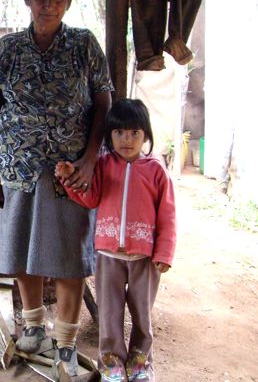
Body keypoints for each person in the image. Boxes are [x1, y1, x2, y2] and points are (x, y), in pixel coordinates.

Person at [0, 0, 113, 379]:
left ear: (68, 2)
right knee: (21, 249)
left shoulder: (84, 45)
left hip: (69, 172)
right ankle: (34, 326)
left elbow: (104, 102)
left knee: (69, 258)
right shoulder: (9, 49)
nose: (49, 4)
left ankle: (67, 345)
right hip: (16, 167)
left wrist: (91, 159)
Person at [55, 98, 176, 382]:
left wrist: (164, 253)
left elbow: (168, 215)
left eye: (134, 132)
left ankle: (140, 364)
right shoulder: (104, 165)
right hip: (108, 256)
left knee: (142, 316)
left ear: (145, 135)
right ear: (109, 135)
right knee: (109, 316)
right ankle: (111, 365)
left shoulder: (156, 170)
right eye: (119, 132)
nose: (127, 139)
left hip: (144, 259)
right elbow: (90, 196)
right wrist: (69, 179)